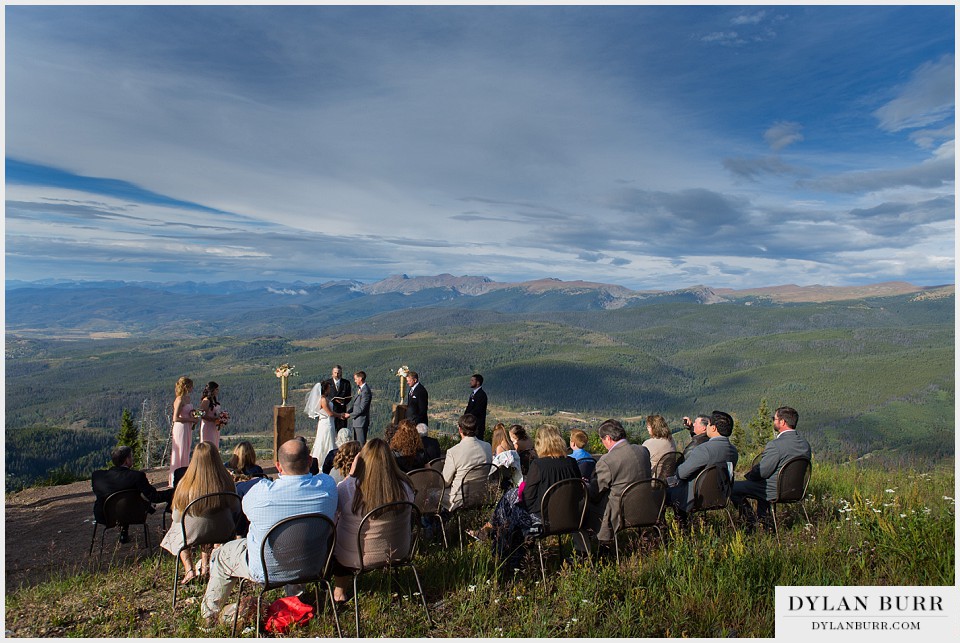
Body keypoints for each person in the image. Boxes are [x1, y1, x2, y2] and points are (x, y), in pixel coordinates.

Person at [199, 439, 337, 627]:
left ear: (278, 466)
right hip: (312, 563)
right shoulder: (327, 487)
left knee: (222, 555)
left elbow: (246, 511)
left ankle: (209, 616)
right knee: (297, 542)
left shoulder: (262, 494)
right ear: (310, 460)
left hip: (266, 569)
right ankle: (296, 599)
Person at [331, 438, 415, 603]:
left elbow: (333, 519)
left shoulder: (347, 488)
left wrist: (351, 474)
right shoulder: (406, 487)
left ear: (361, 460)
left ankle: (339, 592)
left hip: (355, 558)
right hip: (398, 551)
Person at [484, 425, 581, 565]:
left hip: (543, 520)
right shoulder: (571, 463)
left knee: (513, 511)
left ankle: (504, 551)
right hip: (570, 516)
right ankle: (499, 540)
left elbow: (527, 498)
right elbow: (577, 491)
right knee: (511, 496)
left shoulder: (539, 465)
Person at [160, 441, 237, 585]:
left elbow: (176, 517)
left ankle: (189, 570)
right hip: (224, 531)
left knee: (177, 529)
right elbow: (234, 507)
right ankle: (206, 567)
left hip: (193, 534)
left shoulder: (184, 485)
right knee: (207, 527)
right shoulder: (227, 481)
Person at [731, 406, 812, 526]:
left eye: (774, 418)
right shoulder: (805, 444)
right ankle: (765, 522)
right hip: (796, 490)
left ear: (782, 422)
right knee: (762, 484)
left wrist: (749, 475)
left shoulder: (776, 445)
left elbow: (762, 472)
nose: (773, 421)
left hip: (774, 490)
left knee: (732, 488)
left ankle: (749, 521)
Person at [586, 419, 652, 546]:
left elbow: (595, 493)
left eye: (602, 440)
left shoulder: (607, 461)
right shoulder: (643, 451)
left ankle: (593, 548)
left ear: (608, 438)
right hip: (645, 507)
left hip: (620, 513)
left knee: (584, 505)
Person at [92, 445, 172, 543]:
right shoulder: (136, 476)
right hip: (133, 515)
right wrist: (173, 492)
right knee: (127, 503)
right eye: (131, 456)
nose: (132, 459)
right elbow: (154, 497)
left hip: (104, 516)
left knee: (120, 502)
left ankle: (124, 535)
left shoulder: (97, 476)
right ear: (126, 460)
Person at [667, 411, 739, 519]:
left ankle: (679, 527)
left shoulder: (704, 449)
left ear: (714, 428)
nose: (708, 427)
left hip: (696, 498)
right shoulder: (733, 451)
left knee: (663, 493)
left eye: (709, 424)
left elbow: (681, 474)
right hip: (720, 496)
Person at [441, 414, 492, 510]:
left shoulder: (453, 452)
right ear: (476, 428)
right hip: (481, 495)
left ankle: (432, 523)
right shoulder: (487, 447)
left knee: (432, 493)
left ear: (460, 430)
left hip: (459, 498)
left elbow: (445, 482)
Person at [306, 380, 347, 463]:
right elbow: (329, 413)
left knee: (329, 439)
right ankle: (324, 460)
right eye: (329, 388)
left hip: (328, 422)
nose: (330, 390)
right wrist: (340, 415)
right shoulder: (323, 400)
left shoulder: (325, 399)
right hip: (326, 422)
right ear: (325, 389)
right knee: (326, 440)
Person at [170, 376, 199, 486]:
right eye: (191, 387)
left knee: (186, 449)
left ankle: (184, 474)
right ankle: (176, 477)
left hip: (187, 427)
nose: (192, 389)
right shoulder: (179, 399)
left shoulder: (187, 398)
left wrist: (194, 414)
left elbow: (188, 411)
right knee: (180, 450)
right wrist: (191, 419)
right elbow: (175, 418)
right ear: (186, 387)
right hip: (181, 427)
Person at [491, 423, 522, 489]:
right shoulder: (510, 445)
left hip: (501, 479)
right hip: (511, 476)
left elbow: (498, 466)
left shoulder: (500, 447)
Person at [326, 365, 352, 431]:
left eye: (338, 373)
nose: (336, 374)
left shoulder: (346, 383)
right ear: (332, 373)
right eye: (335, 373)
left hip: (342, 411)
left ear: (341, 373)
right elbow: (325, 395)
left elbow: (348, 396)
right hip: (331, 410)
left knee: (342, 431)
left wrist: (343, 402)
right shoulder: (327, 383)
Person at [349, 370, 372, 445]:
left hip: (361, 422)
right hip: (357, 422)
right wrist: (348, 412)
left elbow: (362, 408)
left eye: (356, 379)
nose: (355, 381)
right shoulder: (360, 389)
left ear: (360, 378)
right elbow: (356, 405)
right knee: (356, 443)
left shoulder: (365, 391)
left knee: (361, 444)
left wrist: (350, 415)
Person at [198, 381, 223, 448]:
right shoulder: (206, 401)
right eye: (216, 389)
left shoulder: (213, 400)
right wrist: (212, 419)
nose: (218, 391)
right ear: (212, 390)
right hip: (208, 426)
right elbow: (200, 414)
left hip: (214, 427)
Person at [464, 373, 488, 441]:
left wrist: (468, 417)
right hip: (470, 424)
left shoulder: (482, 395)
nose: (470, 382)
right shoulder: (473, 394)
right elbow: (469, 407)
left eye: (472, 380)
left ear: (477, 382)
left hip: (477, 425)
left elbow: (477, 410)